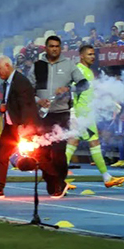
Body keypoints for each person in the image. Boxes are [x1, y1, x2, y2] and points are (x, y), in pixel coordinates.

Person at [30, 35, 88, 198]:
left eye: (57, 46)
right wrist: (38, 101)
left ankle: (58, 182)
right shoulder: (37, 66)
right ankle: (54, 182)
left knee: (58, 152)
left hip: (61, 114)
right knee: (41, 152)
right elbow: (28, 89)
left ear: (60, 48)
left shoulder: (69, 65)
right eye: (51, 46)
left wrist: (69, 90)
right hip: (42, 115)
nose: (54, 49)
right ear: (46, 48)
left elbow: (85, 84)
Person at [65, 45, 124, 188]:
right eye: (89, 54)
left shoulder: (88, 71)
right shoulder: (79, 70)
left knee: (77, 143)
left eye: (93, 54)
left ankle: (106, 177)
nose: (92, 57)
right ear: (81, 56)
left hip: (87, 114)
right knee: (88, 143)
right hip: (82, 115)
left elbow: (90, 93)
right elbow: (72, 92)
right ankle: (106, 177)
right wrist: (73, 113)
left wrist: (110, 103)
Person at [0, 57, 39, 198]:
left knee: (39, 156)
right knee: (1, 152)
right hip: (11, 124)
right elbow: (11, 101)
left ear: (7, 66)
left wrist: (24, 127)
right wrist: (4, 106)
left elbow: (26, 105)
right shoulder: (9, 81)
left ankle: (57, 181)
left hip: (19, 125)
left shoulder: (20, 82)